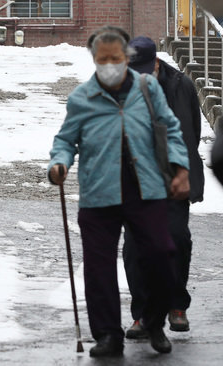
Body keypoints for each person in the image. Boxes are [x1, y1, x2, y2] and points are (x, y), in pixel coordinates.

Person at [48, 26, 190, 357]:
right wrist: (60, 163)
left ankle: (153, 321)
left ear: (125, 58)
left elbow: (170, 129)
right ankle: (108, 335)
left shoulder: (147, 87)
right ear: (94, 60)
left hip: (146, 187)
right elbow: (65, 140)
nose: (109, 64)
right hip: (99, 192)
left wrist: (180, 168)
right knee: (98, 268)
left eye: (115, 58)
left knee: (161, 254)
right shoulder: (82, 98)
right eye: (103, 59)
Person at [122, 36, 205, 339]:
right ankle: (143, 314)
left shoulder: (180, 85)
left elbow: (190, 132)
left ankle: (176, 305)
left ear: (156, 62)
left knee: (177, 239)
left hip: (173, 176)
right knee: (134, 248)